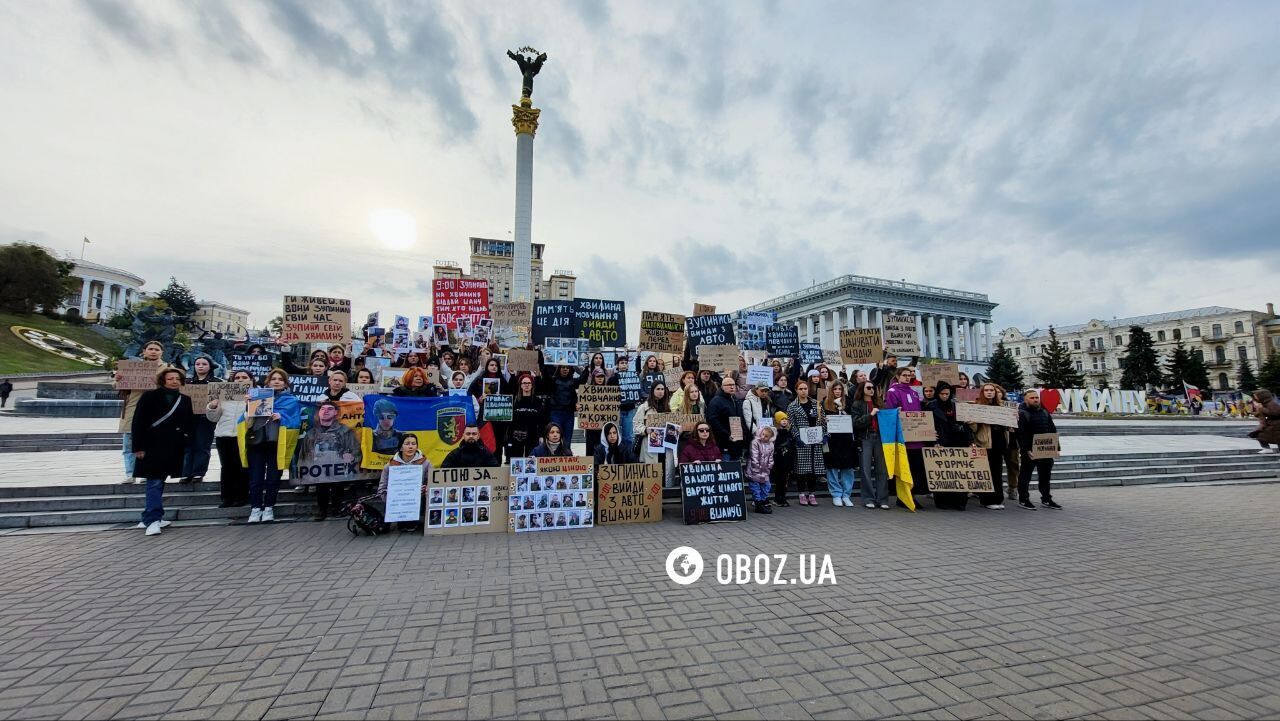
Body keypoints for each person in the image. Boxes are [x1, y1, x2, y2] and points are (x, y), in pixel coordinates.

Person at [131, 367, 195, 536]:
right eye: (170, 378)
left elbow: (188, 423)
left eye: (177, 378)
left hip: (173, 447)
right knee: (154, 482)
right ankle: (153, 519)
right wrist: (138, 447)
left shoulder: (185, 399)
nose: (174, 381)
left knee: (160, 481)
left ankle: (148, 517)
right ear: (163, 380)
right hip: (152, 445)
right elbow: (138, 422)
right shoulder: (149, 396)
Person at [240, 369, 301, 523]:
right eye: (273, 379)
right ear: (268, 381)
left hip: (276, 444)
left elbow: (296, 422)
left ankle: (268, 508)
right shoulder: (256, 396)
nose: (276, 381)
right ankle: (255, 508)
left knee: (273, 478)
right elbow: (244, 422)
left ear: (285, 383)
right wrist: (248, 407)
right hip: (257, 444)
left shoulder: (291, 401)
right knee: (255, 478)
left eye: (280, 379)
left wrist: (282, 417)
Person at [299, 400, 362, 520]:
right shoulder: (311, 433)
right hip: (318, 469)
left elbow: (355, 449)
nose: (325, 411)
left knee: (337, 486)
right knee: (321, 487)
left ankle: (336, 509)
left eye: (329, 409)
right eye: (323, 409)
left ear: (336, 413)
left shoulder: (345, 430)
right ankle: (321, 510)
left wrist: (351, 456)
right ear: (319, 413)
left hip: (338, 468)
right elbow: (304, 453)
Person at [116, 340, 165, 483]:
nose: (153, 351)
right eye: (150, 349)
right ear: (144, 351)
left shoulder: (167, 367)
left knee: (151, 443)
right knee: (129, 442)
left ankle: (146, 472)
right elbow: (119, 387)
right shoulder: (132, 366)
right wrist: (119, 378)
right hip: (132, 408)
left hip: (155, 410)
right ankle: (130, 473)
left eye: (157, 349)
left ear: (162, 352)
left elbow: (174, 385)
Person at [206, 370, 253, 508]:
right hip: (224, 436)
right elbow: (213, 418)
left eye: (244, 377)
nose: (240, 380)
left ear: (251, 379)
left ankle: (242, 496)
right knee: (227, 467)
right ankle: (227, 497)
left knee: (242, 467)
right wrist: (213, 406)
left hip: (243, 436)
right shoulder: (223, 395)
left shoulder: (255, 396)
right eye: (237, 377)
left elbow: (253, 421)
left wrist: (248, 405)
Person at [884, 366, 927, 506]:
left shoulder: (914, 393)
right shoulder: (892, 391)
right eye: (904, 375)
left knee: (915, 468)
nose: (908, 378)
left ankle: (911, 495)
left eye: (909, 375)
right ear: (898, 376)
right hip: (903, 437)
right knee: (904, 468)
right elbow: (890, 412)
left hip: (916, 437)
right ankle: (903, 497)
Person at [927, 381, 971, 510]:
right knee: (943, 473)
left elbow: (966, 425)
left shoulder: (956, 405)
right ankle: (943, 501)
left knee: (959, 472)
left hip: (959, 441)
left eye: (947, 393)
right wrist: (933, 442)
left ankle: (960, 501)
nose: (945, 396)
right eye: (942, 394)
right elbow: (928, 425)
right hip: (942, 441)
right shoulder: (931, 406)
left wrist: (970, 441)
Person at [1016, 389, 1062, 510]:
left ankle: (1046, 498)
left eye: (1036, 397)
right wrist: (1026, 450)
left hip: (1046, 449)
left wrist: (1056, 447)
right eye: (1032, 398)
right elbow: (1021, 434)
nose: (1035, 400)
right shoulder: (1022, 414)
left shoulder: (1044, 412)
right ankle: (1023, 499)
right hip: (1030, 451)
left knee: (1045, 476)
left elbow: (1052, 430)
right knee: (1025, 476)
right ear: (1025, 400)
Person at [376, 433, 431, 532]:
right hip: (398, 503)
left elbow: (433, 482)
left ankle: (416, 520)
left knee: (411, 524)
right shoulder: (390, 466)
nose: (410, 447)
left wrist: (426, 488)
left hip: (419, 499)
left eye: (414, 444)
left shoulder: (426, 463)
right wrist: (391, 495)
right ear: (401, 447)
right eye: (407, 444)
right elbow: (381, 489)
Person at [969, 382, 1011, 509]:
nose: (989, 392)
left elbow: (1008, 425)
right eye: (986, 390)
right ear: (982, 392)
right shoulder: (977, 406)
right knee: (988, 472)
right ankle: (987, 500)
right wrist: (972, 422)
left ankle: (998, 498)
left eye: (991, 390)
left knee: (997, 472)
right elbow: (974, 429)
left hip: (1000, 442)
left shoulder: (1002, 406)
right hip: (985, 443)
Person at [850, 379, 890, 509]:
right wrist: (870, 415)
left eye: (873, 387)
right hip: (865, 438)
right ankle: (868, 498)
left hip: (879, 438)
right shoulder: (857, 404)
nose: (871, 390)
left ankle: (882, 499)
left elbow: (887, 420)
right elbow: (856, 423)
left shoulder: (879, 403)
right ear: (862, 390)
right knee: (865, 469)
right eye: (868, 388)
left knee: (882, 470)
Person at [182, 356, 222, 483]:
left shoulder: (217, 382)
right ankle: (185, 472)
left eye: (204, 364)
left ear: (210, 366)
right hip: (188, 419)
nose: (200, 366)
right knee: (187, 446)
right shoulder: (187, 382)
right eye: (197, 363)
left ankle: (198, 472)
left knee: (202, 445)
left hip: (206, 419)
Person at [786, 379, 825, 506]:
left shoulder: (816, 404)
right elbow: (791, 424)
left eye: (805, 388)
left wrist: (825, 435)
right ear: (796, 391)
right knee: (802, 469)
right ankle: (802, 493)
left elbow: (824, 421)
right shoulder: (792, 406)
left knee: (814, 469)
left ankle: (812, 493)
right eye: (801, 389)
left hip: (816, 441)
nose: (803, 391)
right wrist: (797, 437)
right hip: (802, 441)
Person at [822, 381, 857, 507]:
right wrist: (824, 420)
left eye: (839, 389)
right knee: (832, 468)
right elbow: (820, 421)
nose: (837, 391)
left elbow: (854, 419)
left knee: (847, 467)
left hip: (847, 439)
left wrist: (844, 412)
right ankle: (836, 494)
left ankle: (846, 495)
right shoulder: (825, 403)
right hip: (832, 440)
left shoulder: (848, 401)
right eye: (835, 389)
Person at [507, 373, 548, 460]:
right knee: (516, 462)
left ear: (532, 385)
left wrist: (541, 436)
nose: (526, 385)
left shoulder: (538, 401)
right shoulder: (514, 401)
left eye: (529, 383)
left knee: (531, 462)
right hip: (516, 436)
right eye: (524, 383)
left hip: (533, 435)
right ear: (520, 385)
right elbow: (510, 421)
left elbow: (542, 420)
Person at [541, 363, 583, 446]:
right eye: (563, 367)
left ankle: (567, 455)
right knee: (555, 438)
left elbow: (583, 379)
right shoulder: (553, 381)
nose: (565, 369)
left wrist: (582, 367)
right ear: (559, 368)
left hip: (569, 414)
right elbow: (545, 376)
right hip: (556, 413)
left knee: (567, 440)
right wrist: (546, 362)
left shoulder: (573, 381)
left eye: (567, 367)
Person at [707, 376, 745, 462]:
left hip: (736, 443)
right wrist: (726, 434)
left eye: (733, 384)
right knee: (726, 468)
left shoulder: (735, 400)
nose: (732, 387)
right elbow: (712, 420)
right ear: (722, 387)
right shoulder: (716, 401)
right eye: (728, 385)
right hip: (723, 443)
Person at [745, 426, 775, 514]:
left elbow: (771, 457)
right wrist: (756, 467)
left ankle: (762, 501)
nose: (763, 437)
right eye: (763, 434)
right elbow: (754, 455)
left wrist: (769, 466)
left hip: (765, 470)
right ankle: (758, 503)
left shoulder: (771, 444)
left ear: (770, 437)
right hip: (754, 469)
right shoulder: (755, 442)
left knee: (767, 486)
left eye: (766, 436)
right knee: (755, 487)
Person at [770, 411, 795, 507]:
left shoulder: (789, 432)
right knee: (779, 480)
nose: (784, 421)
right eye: (781, 419)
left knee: (785, 481)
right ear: (777, 421)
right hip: (779, 460)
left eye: (785, 419)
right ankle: (777, 498)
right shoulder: (776, 433)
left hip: (787, 460)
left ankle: (783, 498)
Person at [1248, 389, 1280, 453]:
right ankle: (1267, 449)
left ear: (1262, 396)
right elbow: (1261, 413)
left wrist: (1261, 408)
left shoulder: (1271, 403)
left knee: (1278, 439)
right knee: (1261, 435)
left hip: (1277, 425)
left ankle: (1267, 449)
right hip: (1272, 425)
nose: (1255, 398)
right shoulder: (1264, 404)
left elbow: (1275, 412)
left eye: (1256, 396)